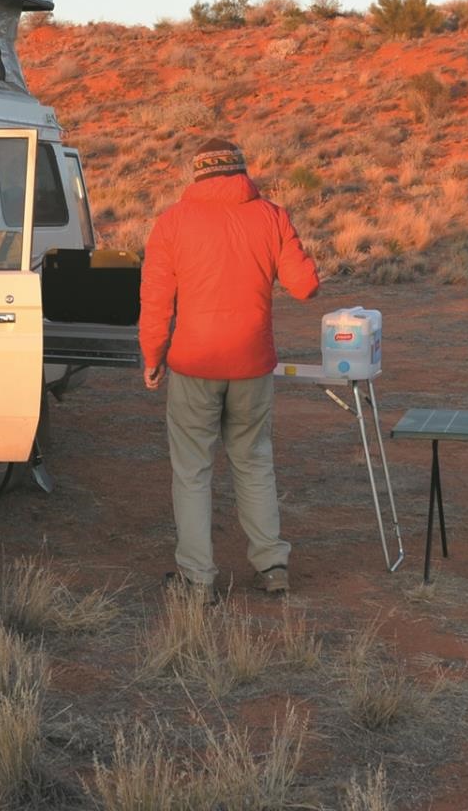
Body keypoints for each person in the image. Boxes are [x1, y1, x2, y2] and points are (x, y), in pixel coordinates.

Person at [139, 135, 320, 599]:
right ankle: (272, 566)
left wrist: (153, 357)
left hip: (194, 363)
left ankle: (198, 579)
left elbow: (156, 302)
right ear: (241, 171)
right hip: (252, 363)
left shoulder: (172, 223)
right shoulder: (272, 215)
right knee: (255, 461)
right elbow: (305, 286)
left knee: (193, 471)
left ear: (197, 172)